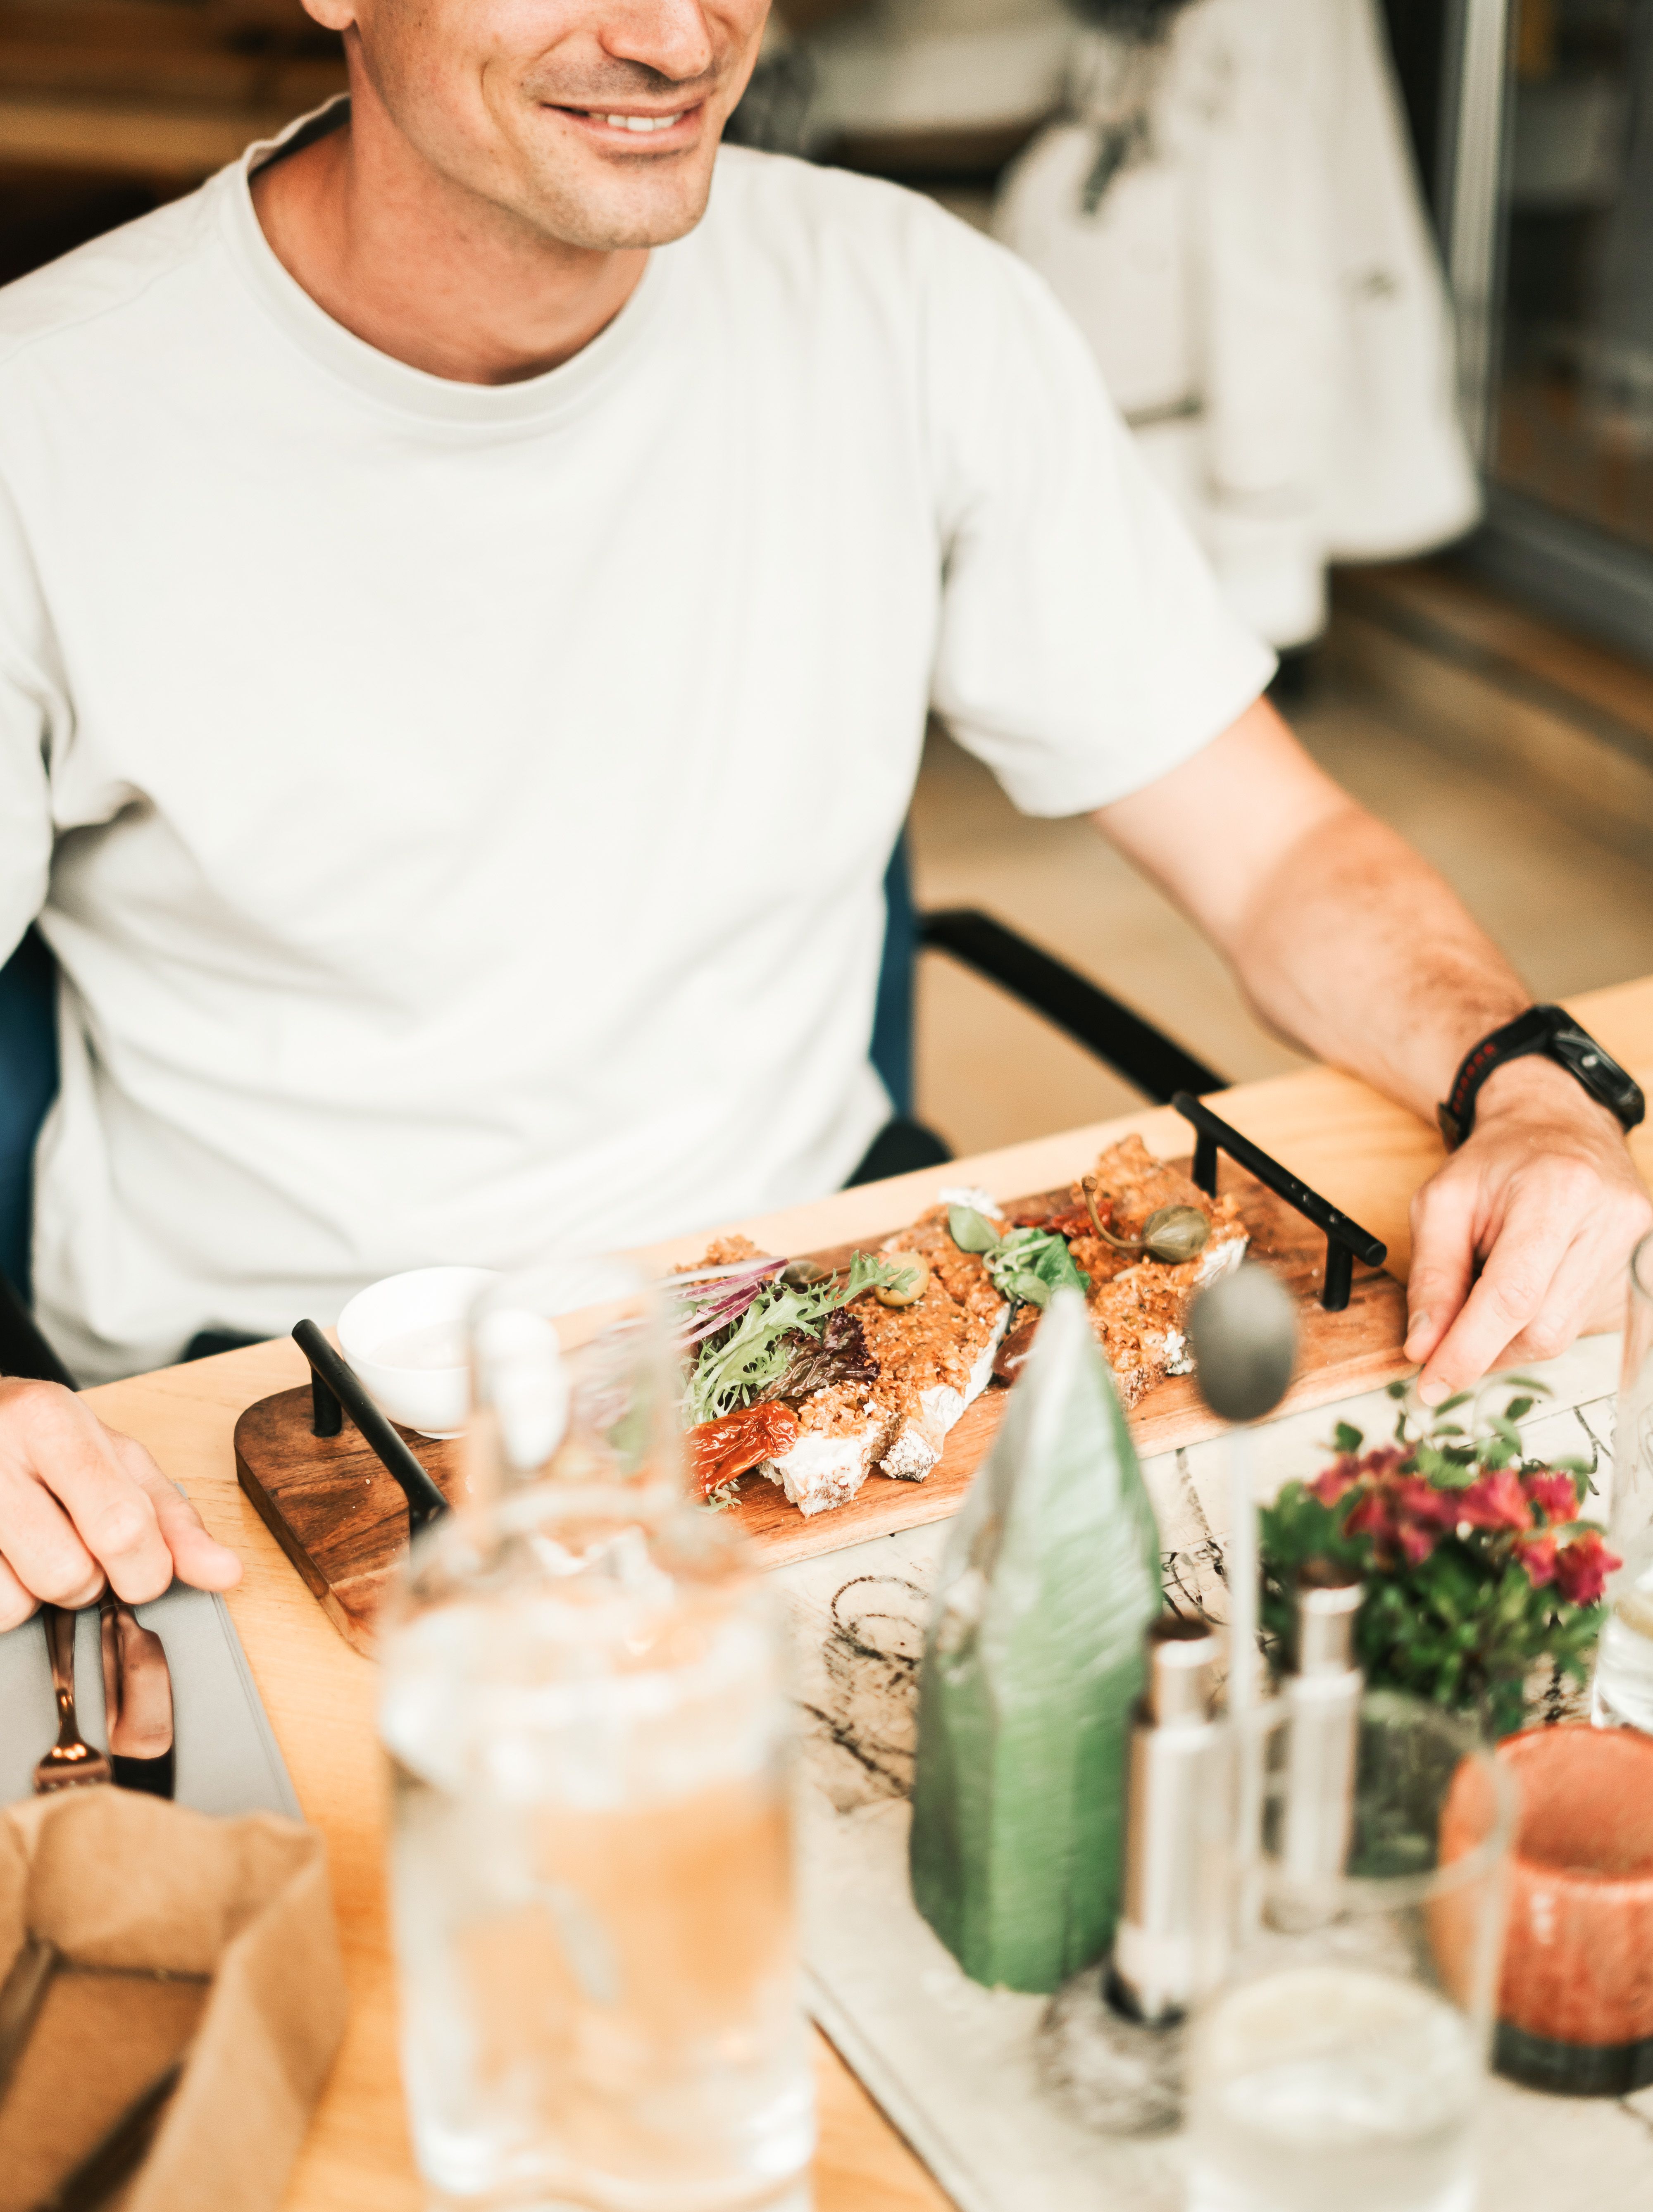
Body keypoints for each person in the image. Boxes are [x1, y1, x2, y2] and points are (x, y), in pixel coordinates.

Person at [0, 0, 1645, 1627]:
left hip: (823, 1347)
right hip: (251, 1426)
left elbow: (1272, 842)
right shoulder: (50, 419)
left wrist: (1527, 1085)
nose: (673, 35)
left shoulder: (912, 306)